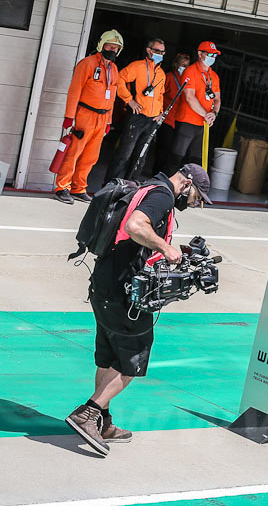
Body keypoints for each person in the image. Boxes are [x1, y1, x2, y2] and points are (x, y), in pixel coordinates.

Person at [64, 164, 213, 456]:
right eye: (196, 196)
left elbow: (134, 236)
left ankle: (104, 422)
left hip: (105, 284)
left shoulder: (147, 187)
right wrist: (168, 249)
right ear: (186, 184)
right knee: (133, 358)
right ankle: (88, 413)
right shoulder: (163, 197)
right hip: (124, 293)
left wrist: (172, 247)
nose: (193, 203)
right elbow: (134, 226)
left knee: (109, 356)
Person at [54, 30, 124, 204]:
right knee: (73, 153)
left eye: (116, 48)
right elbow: (74, 91)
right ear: (101, 45)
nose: (112, 50)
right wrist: (69, 116)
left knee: (90, 157)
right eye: (109, 46)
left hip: (102, 118)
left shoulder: (114, 69)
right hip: (85, 114)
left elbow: (112, 97)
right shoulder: (87, 64)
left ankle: (79, 188)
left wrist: (109, 121)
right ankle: (62, 187)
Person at [106, 39, 167, 181]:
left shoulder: (161, 73)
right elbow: (119, 79)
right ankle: (108, 186)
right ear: (149, 50)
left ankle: (129, 189)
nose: (160, 54)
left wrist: (160, 112)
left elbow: (160, 95)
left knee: (141, 157)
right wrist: (129, 100)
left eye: (162, 52)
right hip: (136, 116)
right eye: (157, 51)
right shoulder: (137, 66)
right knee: (124, 154)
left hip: (152, 120)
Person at [165, 42, 222, 174]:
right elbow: (189, 97)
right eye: (209, 54)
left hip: (203, 125)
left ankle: (189, 192)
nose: (212, 57)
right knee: (176, 158)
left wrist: (214, 113)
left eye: (214, 55)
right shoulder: (190, 71)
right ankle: (166, 188)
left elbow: (217, 99)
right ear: (200, 54)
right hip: (187, 122)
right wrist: (206, 114)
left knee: (196, 162)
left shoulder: (214, 76)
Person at [155, 53, 191, 172]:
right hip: (167, 119)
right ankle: (156, 173)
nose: (184, 68)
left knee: (174, 150)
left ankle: (166, 174)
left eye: (187, 66)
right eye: (182, 65)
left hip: (180, 120)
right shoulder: (169, 77)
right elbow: (159, 95)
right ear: (175, 64)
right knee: (163, 148)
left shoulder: (188, 80)